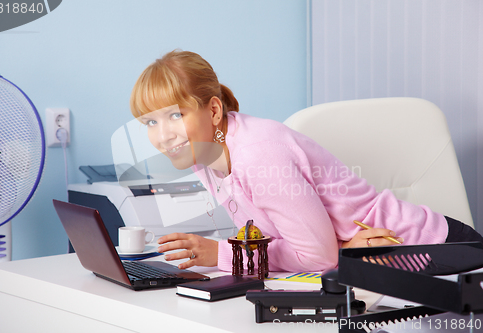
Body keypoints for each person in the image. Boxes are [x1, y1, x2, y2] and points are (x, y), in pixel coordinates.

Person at [129, 50, 483, 273]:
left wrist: (223, 254)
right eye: (151, 122)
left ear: (214, 110)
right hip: (368, 259)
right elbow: (284, 239)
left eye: (175, 115)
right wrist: (340, 251)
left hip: (427, 249)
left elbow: (316, 258)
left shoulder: (256, 154)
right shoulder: (205, 156)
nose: (162, 136)